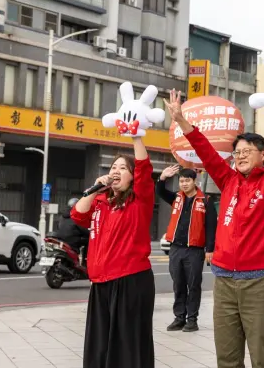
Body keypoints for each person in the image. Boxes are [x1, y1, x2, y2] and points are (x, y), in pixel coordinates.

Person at [166, 90, 264, 368]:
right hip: (224, 282)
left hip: (258, 283)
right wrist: (181, 121)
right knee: (227, 359)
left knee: (261, 359)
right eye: (237, 152)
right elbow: (207, 153)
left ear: (263, 155)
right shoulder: (229, 180)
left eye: (248, 151)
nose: (241, 156)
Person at [70, 136, 155, 368]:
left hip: (131, 281)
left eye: (123, 168)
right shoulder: (100, 202)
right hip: (101, 282)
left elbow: (144, 166)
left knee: (127, 343)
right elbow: (77, 214)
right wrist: (95, 188)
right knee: (99, 343)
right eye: (113, 167)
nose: (116, 171)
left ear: (133, 176)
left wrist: (136, 137)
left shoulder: (140, 200)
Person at [157, 164, 217, 332]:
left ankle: (192, 319)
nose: (184, 184)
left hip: (195, 250)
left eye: (187, 180)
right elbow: (160, 192)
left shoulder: (206, 200)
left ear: (194, 181)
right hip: (176, 248)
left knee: (194, 285)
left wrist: (210, 250)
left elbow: (212, 227)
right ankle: (179, 317)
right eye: (181, 181)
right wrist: (162, 178)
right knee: (178, 284)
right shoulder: (176, 198)